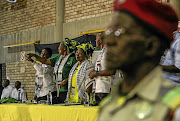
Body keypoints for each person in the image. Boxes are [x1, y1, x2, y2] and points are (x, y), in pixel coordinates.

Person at [97, 0, 180, 121]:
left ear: (151, 46)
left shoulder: (173, 107)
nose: (109, 41)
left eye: (120, 32)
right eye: (109, 32)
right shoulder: (108, 105)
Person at [27, 38, 78, 103]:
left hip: (70, 89)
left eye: (60, 46)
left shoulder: (72, 59)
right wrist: (34, 55)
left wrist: (67, 79)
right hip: (60, 90)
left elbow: (76, 73)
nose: (58, 48)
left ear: (65, 48)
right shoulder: (58, 58)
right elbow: (44, 61)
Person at [89, 33, 115, 105]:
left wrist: (96, 73)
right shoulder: (101, 52)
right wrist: (94, 72)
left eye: (96, 39)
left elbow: (112, 71)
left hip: (107, 89)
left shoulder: (109, 51)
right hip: (99, 89)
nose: (95, 41)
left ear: (100, 41)